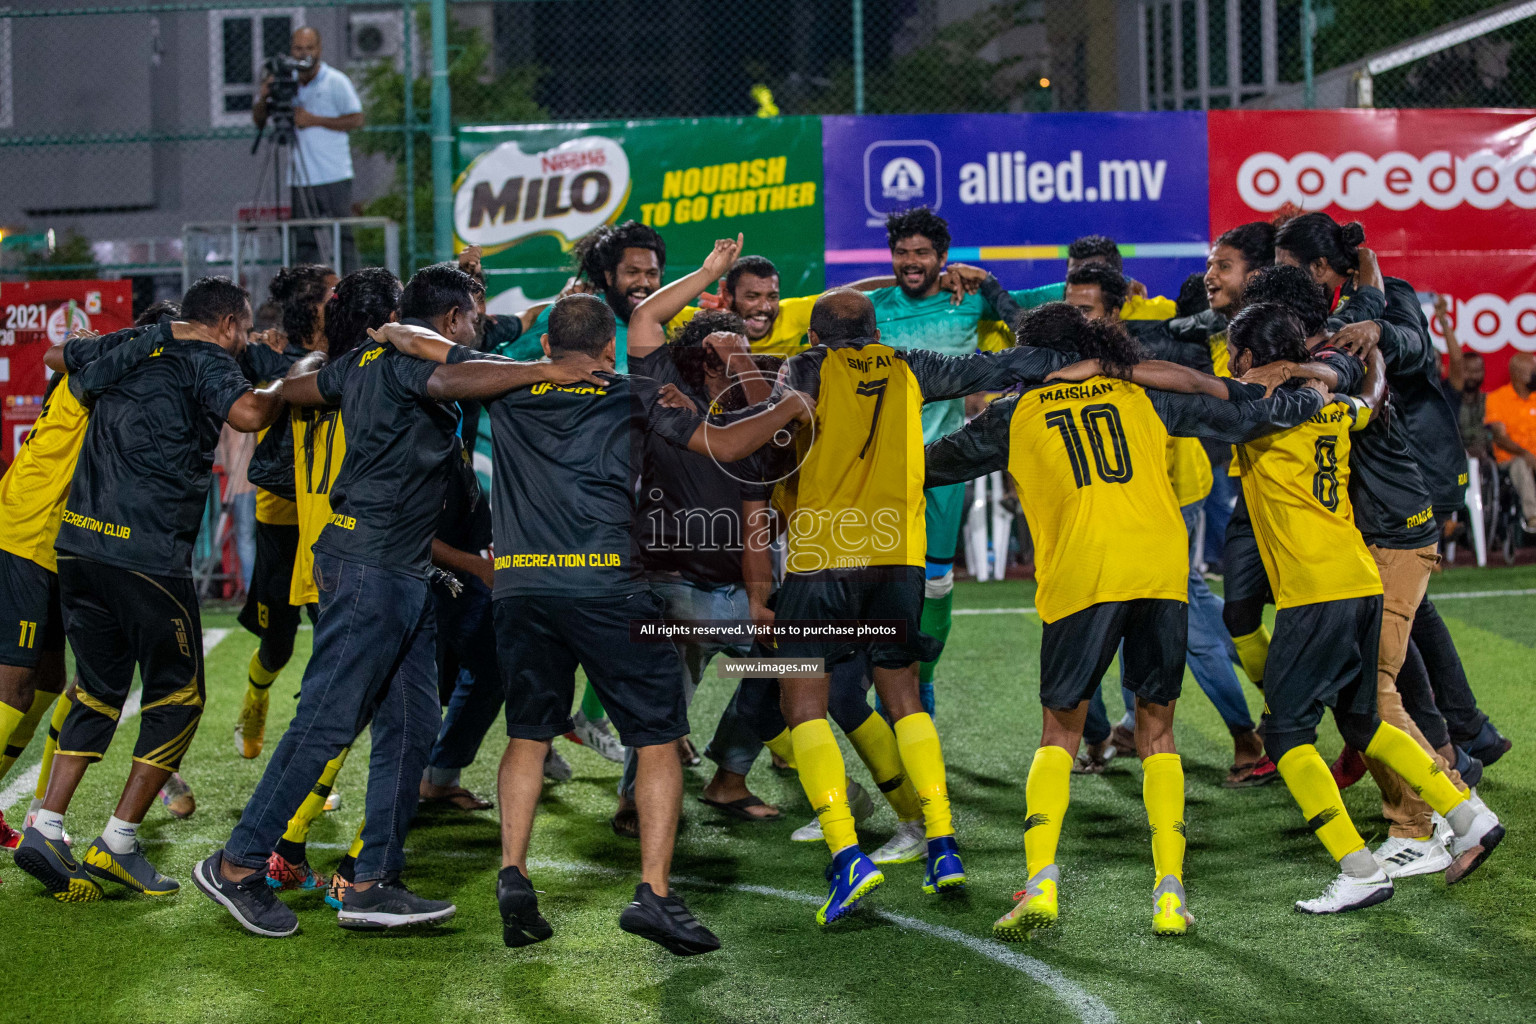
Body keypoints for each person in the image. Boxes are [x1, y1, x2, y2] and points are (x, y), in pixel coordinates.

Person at [193, 264, 606, 938]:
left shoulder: (367, 359)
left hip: (396, 566)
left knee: (412, 724)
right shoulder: (410, 361)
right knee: (326, 722)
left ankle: (370, 881)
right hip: (369, 566)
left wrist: (264, 393)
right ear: (450, 321)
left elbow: (307, 386)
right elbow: (449, 379)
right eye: (472, 318)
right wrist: (544, 371)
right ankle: (237, 864)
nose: (476, 329)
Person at [392, 292, 812, 953]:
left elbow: (416, 341)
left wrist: (391, 324)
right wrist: (791, 403)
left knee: (528, 734)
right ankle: (654, 893)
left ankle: (514, 871)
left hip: (524, 586)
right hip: (608, 586)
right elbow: (731, 445)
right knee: (656, 738)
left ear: (549, 345)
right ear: (606, 347)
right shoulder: (632, 392)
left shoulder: (506, 380)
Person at [926, 303, 1326, 939]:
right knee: (1157, 733)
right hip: (1160, 569)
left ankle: (1040, 884)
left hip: (1084, 574)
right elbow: (1238, 415)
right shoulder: (1142, 390)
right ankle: (1170, 892)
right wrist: (1313, 385)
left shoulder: (1013, 414)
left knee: (1059, 733)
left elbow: (927, 466)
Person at [772, 288, 1083, 926]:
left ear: (814, 339)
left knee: (802, 703)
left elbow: (773, 440)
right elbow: (1006, 366)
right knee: (904, 697)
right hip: (899, 556)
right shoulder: (910, 363)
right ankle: (941, 844)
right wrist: (1087, 357)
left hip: (824, 554)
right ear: (876, 330)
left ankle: (846, 855)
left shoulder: (802, 370)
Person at [1211, 302, 1502, 912]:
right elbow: (1370, 397)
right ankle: (1466, 815)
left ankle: (1358, 868)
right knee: (1364, 721)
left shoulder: (1255, 407)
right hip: (1361, 578)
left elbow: (1193, 394)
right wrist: (1340, 367)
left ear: (1243, 357)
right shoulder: (1330, 403)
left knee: (1286, 734)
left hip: (1315, 592)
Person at [15, 278, 287, 902]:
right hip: (145, 554)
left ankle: (47, 825)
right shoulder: (207, 357)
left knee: (99, 689)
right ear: (225, 324)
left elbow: (60, 357)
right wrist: (277, 383)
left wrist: (139, 339)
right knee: (180, 698)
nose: (244, 340)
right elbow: (247, 414)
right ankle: (117, 843)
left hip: (80, 542)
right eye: (242, 330)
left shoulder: (137, 341)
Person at [1057, 262, 1268, 786]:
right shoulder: (1078, 358)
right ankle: (1136, 721)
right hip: (1127, 509)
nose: (1074, 317)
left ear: (1115, 309)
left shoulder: (1143, 359)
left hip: (1173, 501)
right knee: (1163, 613)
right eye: (1069, 306)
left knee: (1189, 623)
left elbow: (1191, 407)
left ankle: (1251, 737)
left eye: (1085, 309)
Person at [0, 307, 173, 853]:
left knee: (51, 683)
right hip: (27, 530)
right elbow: (60, 355)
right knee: (14, 681)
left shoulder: (116, 366)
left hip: (61, 540)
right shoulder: (111, 363)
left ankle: (38, 815)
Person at [235, 265, 336, 761]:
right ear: (311, 305)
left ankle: (307, 757)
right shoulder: (269, 355)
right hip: (281, 518)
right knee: (278, 644)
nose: (342, 297)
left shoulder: (355, 353)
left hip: (332, 523)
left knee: (335, 639)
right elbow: (218, 349)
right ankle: (255, 696)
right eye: (333, 291)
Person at [253, 27, 364, 269]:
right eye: (298, 48)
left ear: (319, 49)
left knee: (343, 238)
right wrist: (264, 96)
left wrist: (314, 120)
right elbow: (259, 120)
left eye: (309, 48)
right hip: (301, 178)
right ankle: (307, 294)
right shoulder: (286, 81)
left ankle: (351, 290)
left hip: (334, 174)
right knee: (304, 242)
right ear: (291, 49)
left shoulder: (336, 81)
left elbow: (357, 119)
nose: (304, 53)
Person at [1434, 296, 1492, 460]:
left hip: (1454, 458)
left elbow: (1457, 360)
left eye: (1436, 360)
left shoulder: (1449, 391)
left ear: (1443, 368)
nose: (1431, 364)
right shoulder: (1409, 392)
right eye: (1427, 361)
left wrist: (1443, 322)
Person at [1486, 352, 1536, 532]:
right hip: (1511, 459)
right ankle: (1533, 517)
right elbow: (1499, 437)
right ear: (1519, 374)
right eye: (1533, 370)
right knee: (1522, 465)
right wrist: (1525, 454)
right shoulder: (1497, 399)